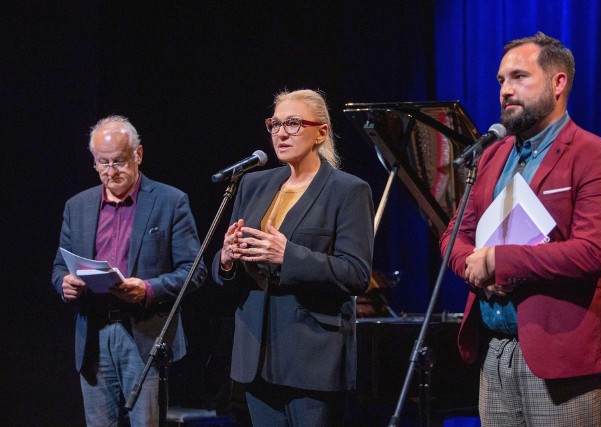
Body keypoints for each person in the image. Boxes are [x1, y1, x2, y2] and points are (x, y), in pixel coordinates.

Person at [440, 32, 601, 426]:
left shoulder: (597, 156)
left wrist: (498, 260)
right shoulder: (492, 156)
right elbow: (454, 233)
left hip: (563, 356)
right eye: (501, 81)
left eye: (519, 77)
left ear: (558, 83)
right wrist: (476, 267)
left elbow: (591, 253)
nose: (506, 90)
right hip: (494, 352)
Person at [212, 89, 374, 426]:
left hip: (311, 355)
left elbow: (356, 273)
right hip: (255, 354)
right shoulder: (252, 184)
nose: (281, 133)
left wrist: (290, 256)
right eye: (275, 124)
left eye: (294, 124)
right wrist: (226, 260)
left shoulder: (347, 190)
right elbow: (226, 272)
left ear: (321, 132)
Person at [52, 115, 207, 426]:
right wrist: (64, 284)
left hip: (144, 334)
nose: (111, 172)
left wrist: (148, 289)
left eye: (119, 162)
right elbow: (59, 266)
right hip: (94, 334)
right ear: (94, 162)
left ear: (138, 155)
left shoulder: (170, 201)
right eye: (102, 163)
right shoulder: (77, 205)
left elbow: (194, 270)